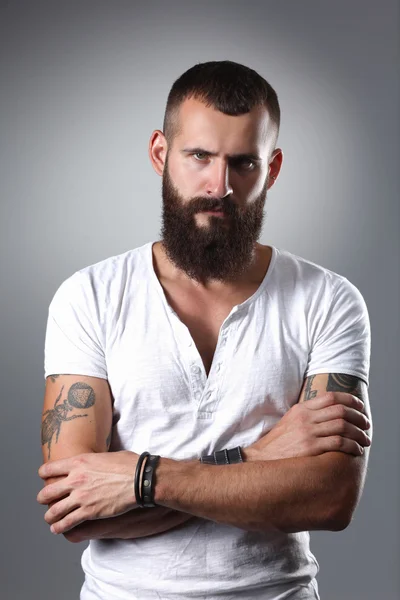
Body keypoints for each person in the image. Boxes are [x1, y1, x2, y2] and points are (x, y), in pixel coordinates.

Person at [37, 60, 372, 600]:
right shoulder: (89, 297)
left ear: (273, 168)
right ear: (160, 154)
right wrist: (259, 460)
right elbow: (75, 512)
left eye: (243, 163)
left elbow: (329, 500)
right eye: (199, 157)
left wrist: (138, 481)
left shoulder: (328, 300)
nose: (220, 186)